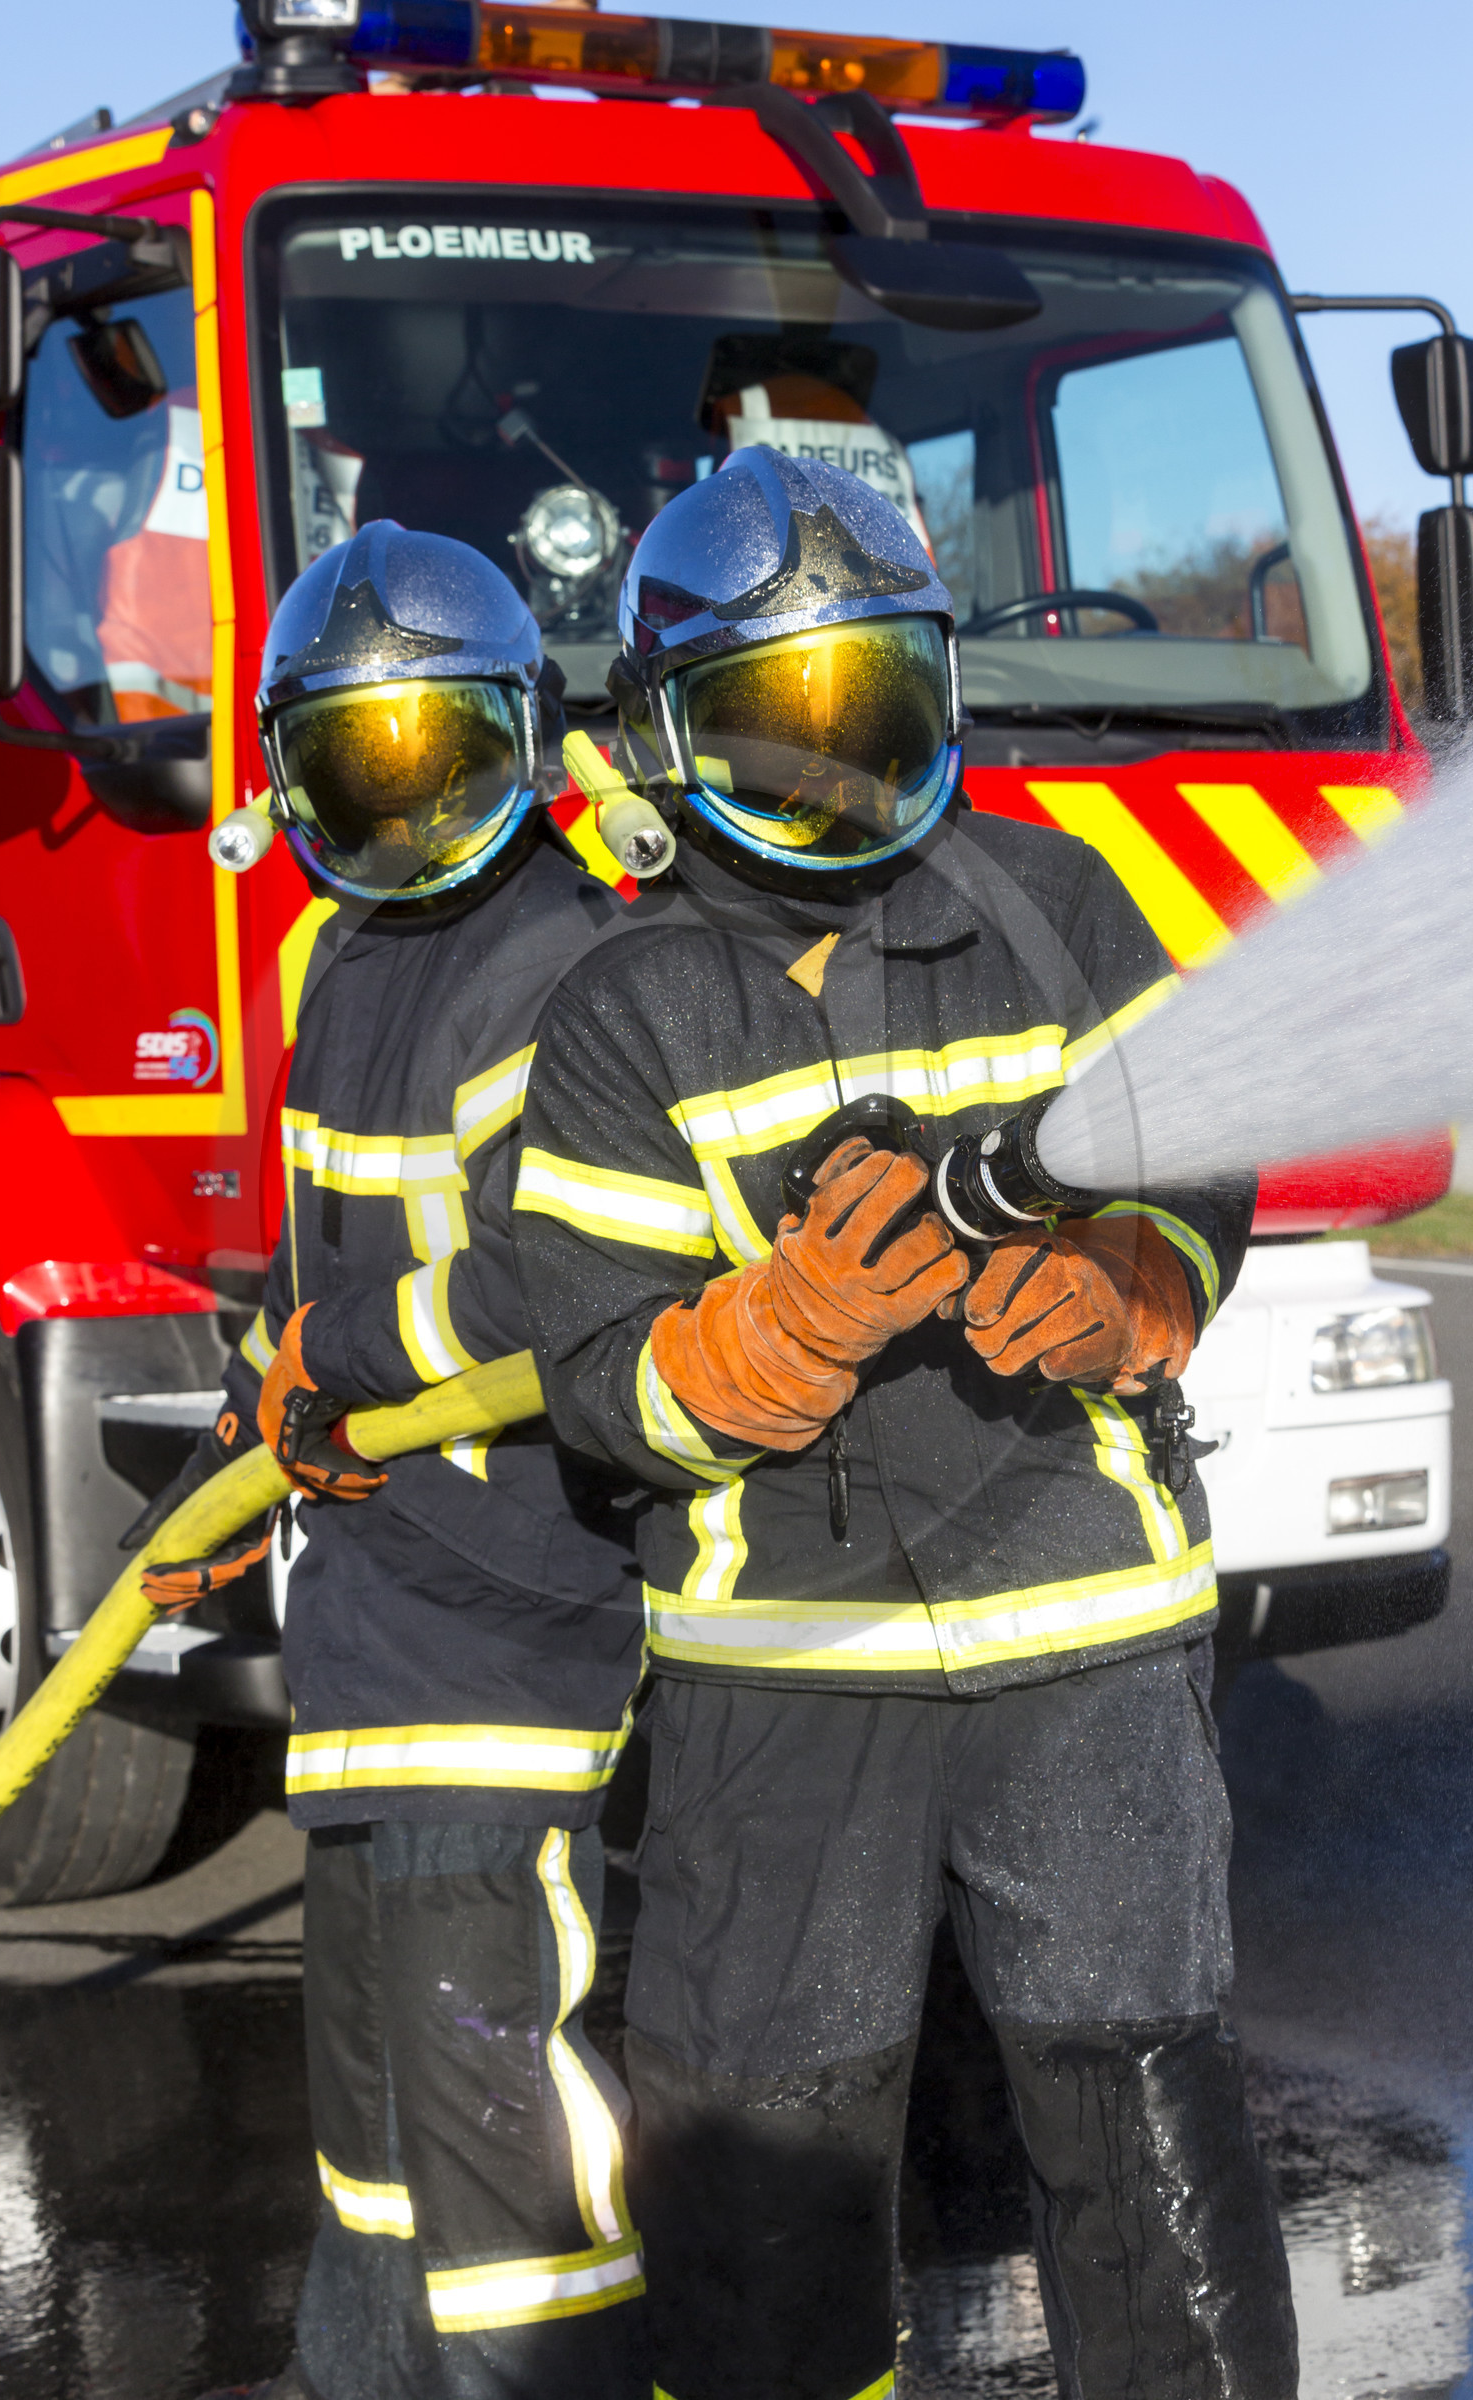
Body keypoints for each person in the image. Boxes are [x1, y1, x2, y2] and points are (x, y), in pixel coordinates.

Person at [510, 446, 1297, 2400]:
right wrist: (766, 1339)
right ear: (668, 734)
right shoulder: (620, 1008)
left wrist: (1138, 1275)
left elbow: (1200, 1158)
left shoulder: (1058, 904)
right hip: (788, 1680)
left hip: (1088, 1646)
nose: (832, 772)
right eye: (773, 726)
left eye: (870, 709)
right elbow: (595, 1375)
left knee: (1147, 2135)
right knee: (759, 2173)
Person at [128, 520, 648, 2400]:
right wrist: (226, 1459)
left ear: (523, 741)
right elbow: (313, 1287)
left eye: (442, 759)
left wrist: (327, 1376)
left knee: (512, 2195)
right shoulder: (343, 964)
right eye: (362, 769)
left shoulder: (572, 966)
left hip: (513, 1651)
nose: (410, 812)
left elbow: (554, 1287)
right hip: (368, 1650)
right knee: (371, 2165)